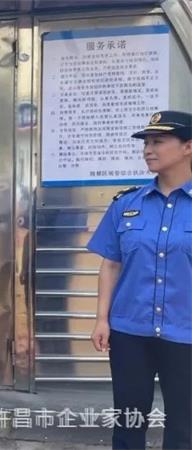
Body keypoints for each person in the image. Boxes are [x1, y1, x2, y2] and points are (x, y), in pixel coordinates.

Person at [87, 110, 192, 450]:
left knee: (185, 427)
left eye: (158, 141)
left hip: (186, 333)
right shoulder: (127, 204)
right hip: (130, 332)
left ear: (188, 146)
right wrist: (101, 319)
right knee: (129, 422)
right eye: (146, 143)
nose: (148, 149)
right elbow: (111, 265)